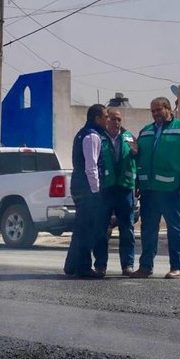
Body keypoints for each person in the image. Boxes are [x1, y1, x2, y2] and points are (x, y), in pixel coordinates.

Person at [132, 95, 180, 279]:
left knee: (175, 228)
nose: (156, 113)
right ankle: (145, 267)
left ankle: (177, 267)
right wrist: (137, 182)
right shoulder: (146, 131)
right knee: (148, 229)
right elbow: (139, 158)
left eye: (159, 109)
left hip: (172, 190)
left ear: (168, 109)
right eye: (153, 111)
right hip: (149, 190)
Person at [63, 104, 110, 279]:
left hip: (80, 186)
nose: (108, 120)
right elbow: (92, 167)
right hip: (87, 189)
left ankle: (71, 265)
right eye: (105, 117)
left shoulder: (83, 133)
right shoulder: (92, 136)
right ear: (97, 118)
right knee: (87, 230)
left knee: (81, 227)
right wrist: (96, 191)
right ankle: (83, 267)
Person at [101, 109, 139, 276]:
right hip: (106, 190)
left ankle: (128, 265)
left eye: (119, 119)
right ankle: (100, 265)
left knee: (127, 229)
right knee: (102, 229)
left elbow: (138, 158)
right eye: (113, 119)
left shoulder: (128, 137)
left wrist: (136, 151)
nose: (116, 122)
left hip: (125, 189)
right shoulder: (99, 137)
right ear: (106, 120)